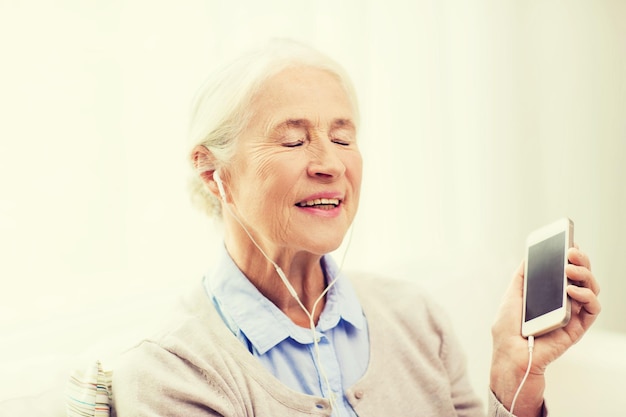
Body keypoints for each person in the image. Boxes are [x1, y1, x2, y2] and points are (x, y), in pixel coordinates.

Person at [111, 39, 601, 417]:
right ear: (212, 173)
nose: (330, 163)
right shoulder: (170, 372)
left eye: (343, 137)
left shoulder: (417, 319)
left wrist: (514, 379)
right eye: (293, 140)